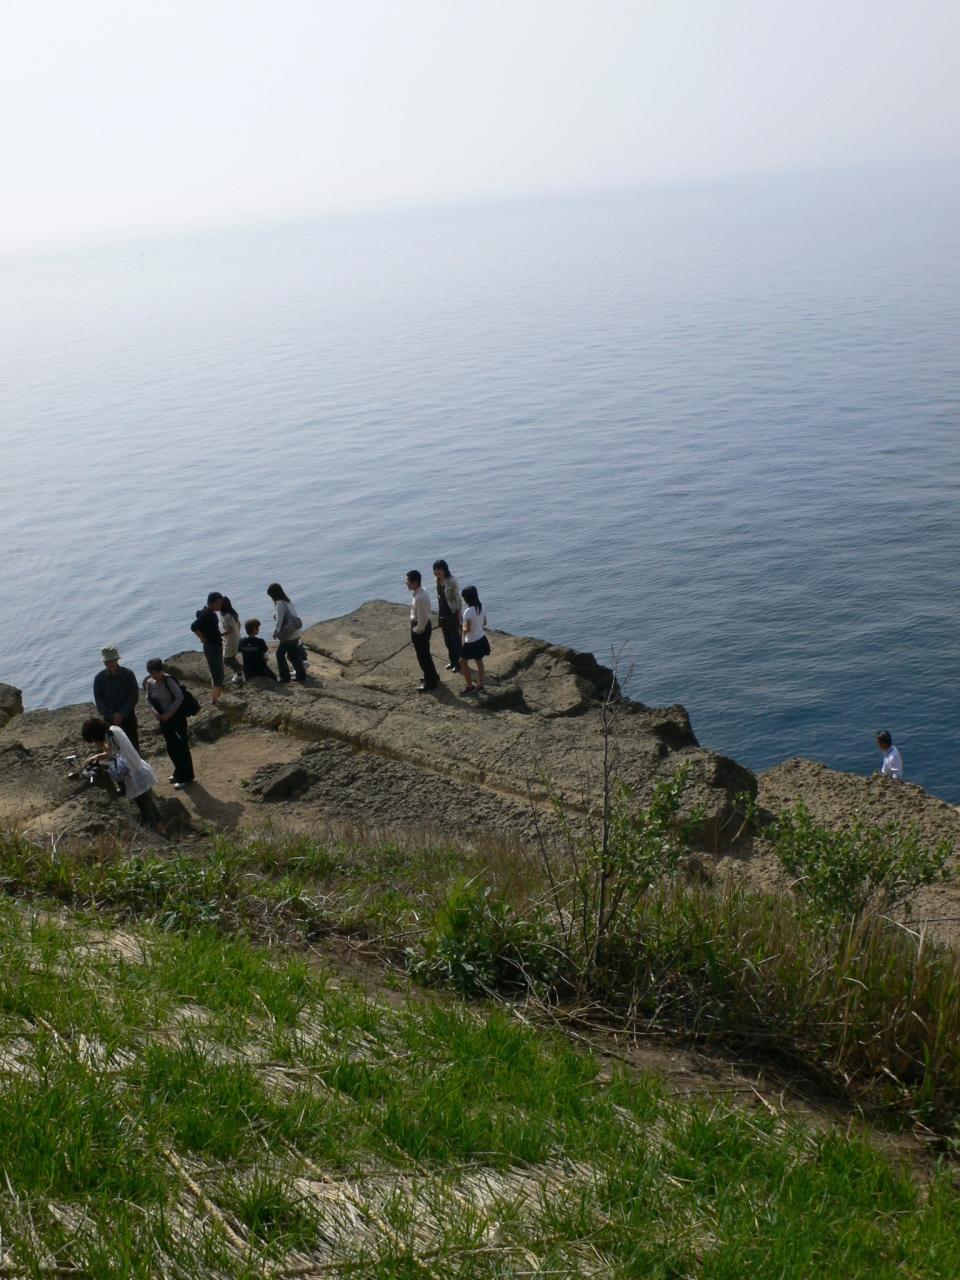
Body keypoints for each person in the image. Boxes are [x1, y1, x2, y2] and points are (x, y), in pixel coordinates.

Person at [80, 717, 166, 833]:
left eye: (93, 739)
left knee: (146, 810)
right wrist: (97, 756)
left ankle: (160, 833)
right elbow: (115, 752)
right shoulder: (114, 729)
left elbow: (113, 756)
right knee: (149, 805)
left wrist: (100, 746)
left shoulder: (110, 735)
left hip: (136, 776)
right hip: (140, 770)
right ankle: (162, 828)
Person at [144, 659, 195, 789]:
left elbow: (179, 697)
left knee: (181, 747)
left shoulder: (169, 680)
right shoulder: (150, 683)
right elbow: (148, 699)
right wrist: (155, 712)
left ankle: (187, 777)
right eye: (153, 673)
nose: (156, 675)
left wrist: (169, 713)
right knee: (171, 747)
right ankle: (178, 772)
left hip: (176, 718)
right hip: (163, 719)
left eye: (158, 672)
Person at [93, 646, 141, 750]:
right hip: (110, 721)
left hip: (128, 718)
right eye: (106, 661)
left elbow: (134, 696)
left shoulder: (128, 674)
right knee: (116, 750)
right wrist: (112, 715)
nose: (109, 663)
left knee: (133, 747)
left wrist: (121, 713)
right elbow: (99, 702)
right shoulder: (99, 679)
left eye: (111, 660)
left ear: (116, 659)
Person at [267, 583, 308, 684]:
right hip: (295, 632)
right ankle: (301, 676)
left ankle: (285, 678)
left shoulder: (279, 603)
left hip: (289, 635)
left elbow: (279, 620)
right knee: (293, 655)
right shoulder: (288, 601)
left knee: (279, 655)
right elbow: (293, 616)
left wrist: (276, 632)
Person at [406, 570, 438, 692]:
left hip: (421, 629)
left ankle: (430, 682)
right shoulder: (421, 591)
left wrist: (416, 630)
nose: (406, 583)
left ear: (415, 582)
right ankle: (432, 676)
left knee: (423, 656)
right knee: (426, 654)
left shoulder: (420, 597)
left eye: (408, 581)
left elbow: (423, 619)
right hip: (422, 626)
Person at [191, 592, 225, 704]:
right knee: (218, 673)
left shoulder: (204, 612)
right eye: (218, 603)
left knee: (215, 672)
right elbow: (194, 626)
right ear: (211, 603)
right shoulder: (208, 614)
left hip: (212, 645)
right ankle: (216, 699)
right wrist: (202, 639)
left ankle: (216, 697)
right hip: (212, 646)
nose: (220, 606)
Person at [459, 585, 490, 696]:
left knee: (462, 662)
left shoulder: (468, 611)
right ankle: (480, 685)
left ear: (467, 599)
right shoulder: (482, 607)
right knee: (479, 662)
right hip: (481, 638)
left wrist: (461, 627)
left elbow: (467, 629)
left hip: (471, 641)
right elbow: (484, 623)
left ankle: (469, 686)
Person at [433, 559, 463, 673]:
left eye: (439, 569)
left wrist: (459, 615)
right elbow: (439, 597)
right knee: (447, 640)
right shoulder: (437, 580)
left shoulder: (452, 581)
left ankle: (460, 664)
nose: (437, 572)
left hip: (452, 613)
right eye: (435, 570)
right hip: (443, 613)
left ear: (445, 569)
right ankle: (452, 661)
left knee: (456, 641)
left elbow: (458, 599)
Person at [220, 595, 242, 673]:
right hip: (237, 637)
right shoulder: (233, 613)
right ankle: (239, 674)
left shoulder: (226, 616)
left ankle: (242, 669)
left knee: (226, 660)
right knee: (232, 658)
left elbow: (230, 631)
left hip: (230, 641)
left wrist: (219, 634)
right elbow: (239, 625)